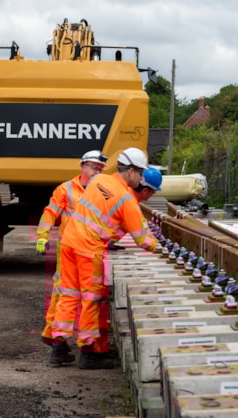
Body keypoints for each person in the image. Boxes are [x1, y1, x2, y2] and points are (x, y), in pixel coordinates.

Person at [50, 147, 159, 369]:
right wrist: (164, 248)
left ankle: (58, 347)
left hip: (70, 241)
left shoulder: (98, 180)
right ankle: (88, 353)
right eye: (139, 174)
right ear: (130, 172)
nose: (140, 179)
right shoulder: (126, 199)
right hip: (89, 249)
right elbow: (143, 241)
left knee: (69, 295)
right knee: (91, 299)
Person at [37, 150, 108, 364]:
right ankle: (59, 341)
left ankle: (66, 344)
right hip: (70, 249)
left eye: (100, 169)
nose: (96, 171)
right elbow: (50, 212)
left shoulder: (102, 189)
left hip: (89, 248)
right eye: (93, 167)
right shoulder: (66, 189)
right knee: (67, 294)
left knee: (74, 295)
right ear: (82, 166)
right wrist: (42, 236)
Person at [108, 166, 163, 250]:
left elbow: (142, 224)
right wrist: (158, 247)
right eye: (153, 192)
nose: (152, 195)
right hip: (98, 243)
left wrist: (150, 235)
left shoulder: (124, 192)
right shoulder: (130, 203)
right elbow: (142, 240)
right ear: (145, 191)